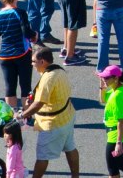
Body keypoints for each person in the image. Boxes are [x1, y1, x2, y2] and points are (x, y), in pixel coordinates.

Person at [23, 47, 81, 178]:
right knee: (70, 147)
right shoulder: (58, 70)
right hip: (67, 116)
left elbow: (39, 104)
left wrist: (23, 115)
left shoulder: (47, 79)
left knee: (42, 157)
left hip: (52, 124)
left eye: (33, 61)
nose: (31, 64)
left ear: (42, 62)